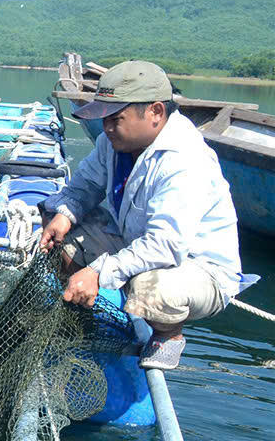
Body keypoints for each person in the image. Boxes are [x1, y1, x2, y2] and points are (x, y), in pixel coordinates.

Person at [39, 60, 251, 370]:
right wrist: (64, 216)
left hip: (197, 269)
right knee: (57, 224)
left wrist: (98, 272)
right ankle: (82, 314)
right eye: (104, 118)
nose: (107, 127)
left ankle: (169, 336)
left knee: (151, 287)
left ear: (155, 112)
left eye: (117, 118)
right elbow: (83, 188)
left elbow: (166, 245)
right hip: (136, 244)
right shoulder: (110, 143)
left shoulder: (185, 161)